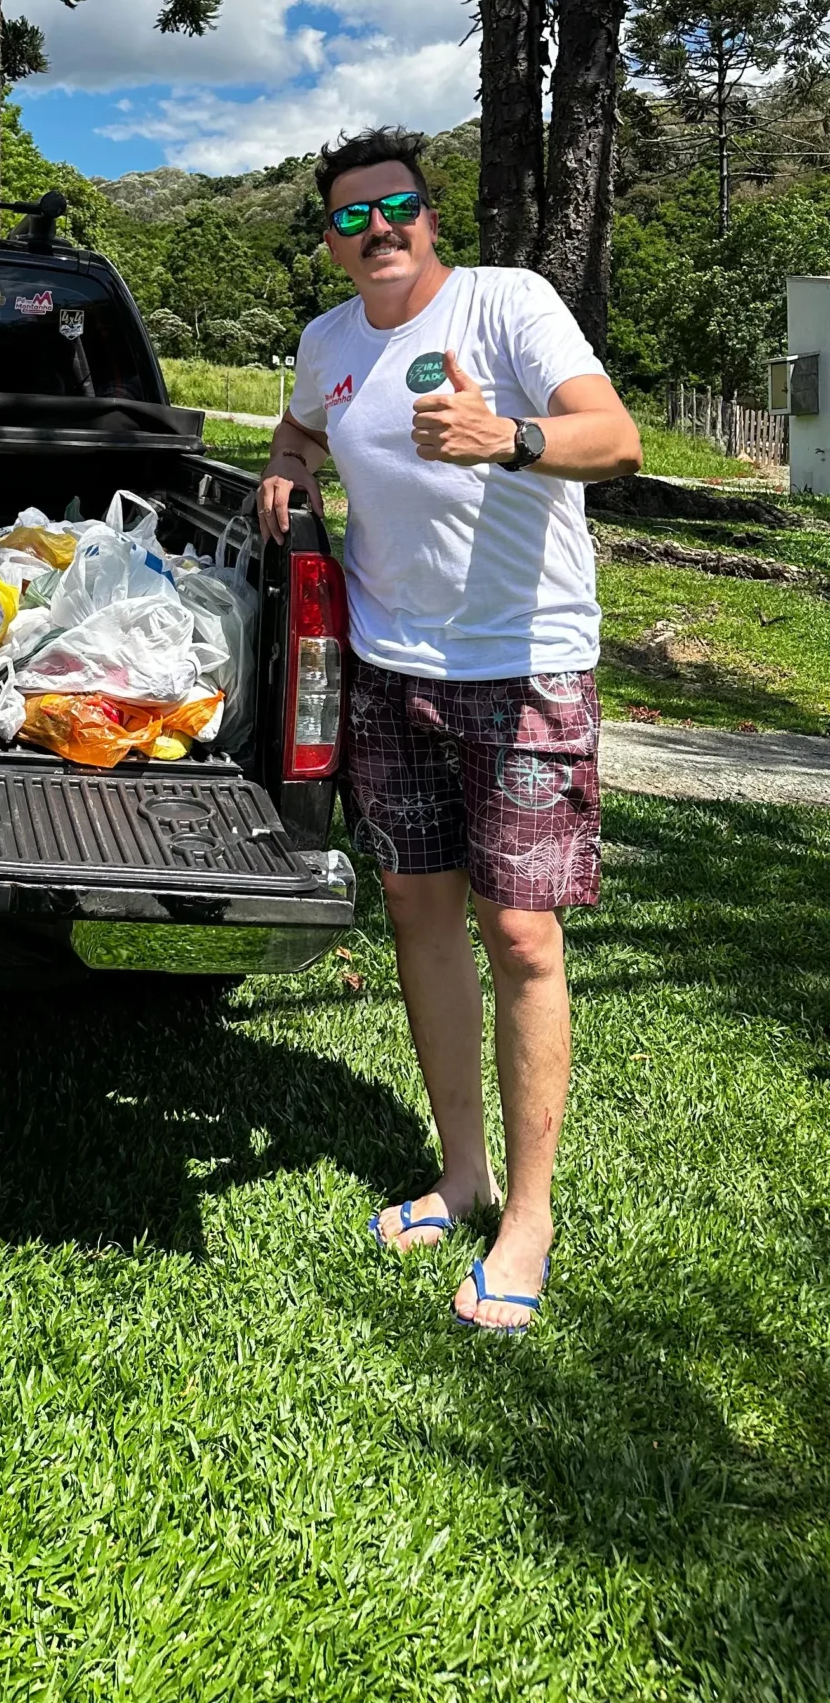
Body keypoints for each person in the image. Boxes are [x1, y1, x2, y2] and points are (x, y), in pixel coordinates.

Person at [258, 128, 640, 1334]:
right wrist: (284, 469)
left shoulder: (506, 306)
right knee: (420, 910)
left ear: (432, 218)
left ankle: (528, 1215)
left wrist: (510, 437)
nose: (377, 231)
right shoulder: (328, 343)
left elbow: (615, 438)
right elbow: (309, 429)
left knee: (520, 931)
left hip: (522, 665)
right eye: (350, 218)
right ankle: (461, 1169)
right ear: (328, 237)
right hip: (386, 667)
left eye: (399, 209)